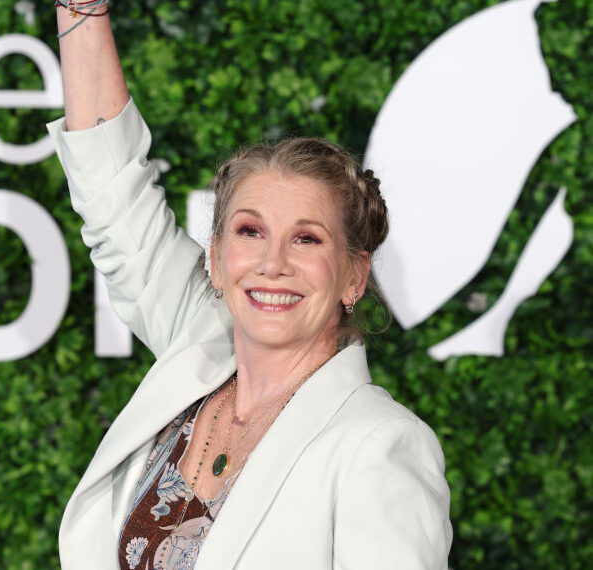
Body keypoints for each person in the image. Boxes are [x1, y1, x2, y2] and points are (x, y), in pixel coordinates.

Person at [49, 3, 453, 569]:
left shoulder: (380, 446)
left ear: (355, 275)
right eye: (250, 231)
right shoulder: (198, 344)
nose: (273, 263)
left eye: (307, 239)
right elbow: (113, 196)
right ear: (216, 258)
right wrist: (81, 8)